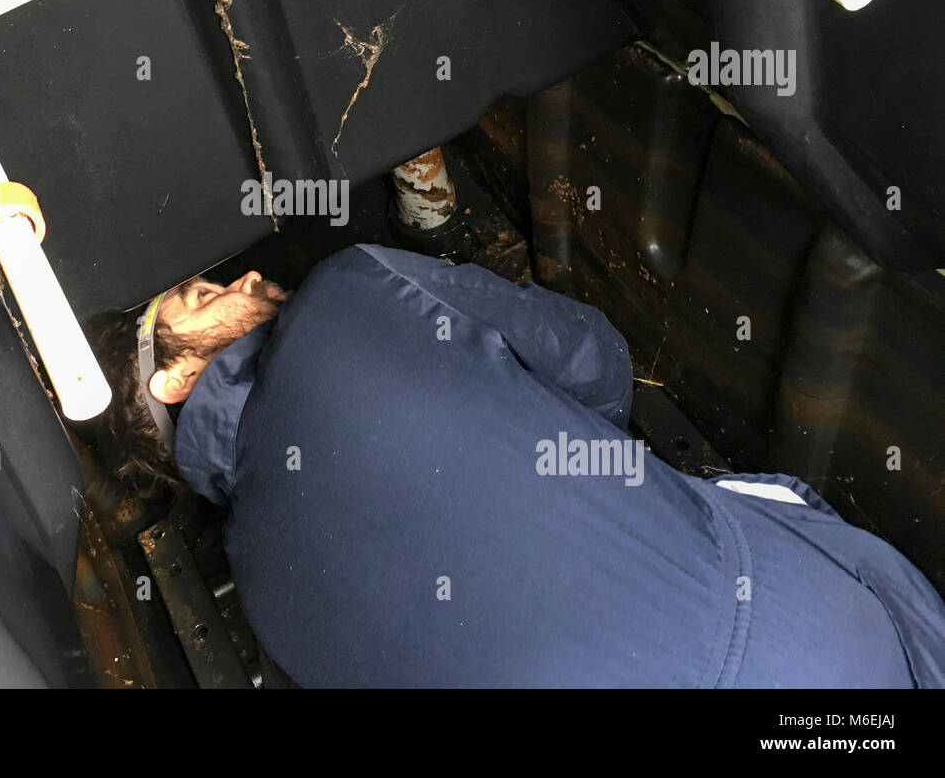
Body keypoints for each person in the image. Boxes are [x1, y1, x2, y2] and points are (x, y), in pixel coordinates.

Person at [83, 243, 945, 688]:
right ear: (178, 376)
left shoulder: (269, 598)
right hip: (822, 643)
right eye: (204, 296)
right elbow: (599, 364)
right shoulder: (350, 292)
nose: (250, 278)